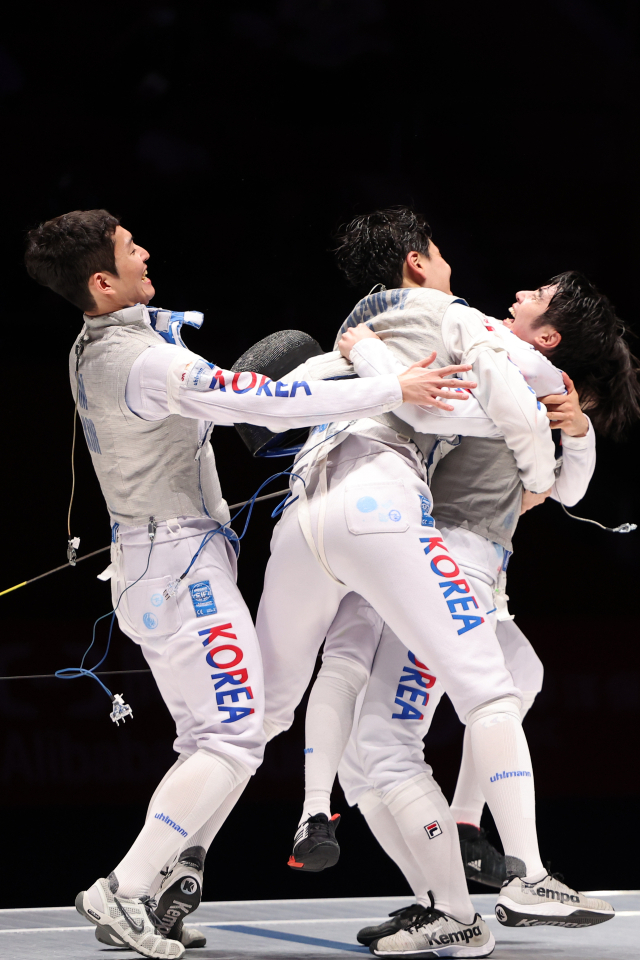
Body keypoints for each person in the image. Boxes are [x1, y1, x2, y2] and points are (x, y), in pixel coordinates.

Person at [23, 208, 466, 960]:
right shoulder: (144, 362)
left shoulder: (95, 344)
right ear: (101, 280)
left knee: (212, 737)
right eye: (131, 251)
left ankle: (162, 888)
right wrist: (389, 386)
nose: (147, 252)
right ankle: (123, 891)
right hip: (179, 569)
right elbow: (262, 404)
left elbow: (190, 369)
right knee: (233, 738)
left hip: (151, 566)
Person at [299, 267, 639, 950]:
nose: (516, 294)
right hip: (449, 566)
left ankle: (487, 886)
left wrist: (364, 352)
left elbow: (551, 485)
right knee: (516, 680)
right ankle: (450, 880)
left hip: (445, 569)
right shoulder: (494, 363)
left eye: (535, 297)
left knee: (385, 746)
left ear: (547, 336)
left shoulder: (505, 376)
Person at [251, 206, 559, 955]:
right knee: (457, 705)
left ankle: (221, 846)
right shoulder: (454, 321)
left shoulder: (354, 339)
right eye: (442, 252)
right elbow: (498, 401)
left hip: (310, 519)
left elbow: (274, 407)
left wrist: (357, 357)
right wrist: (546, 469)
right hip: (403, 534)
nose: (508, 304)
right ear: (418, 262)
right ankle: (513, 877)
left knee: (293, 723)